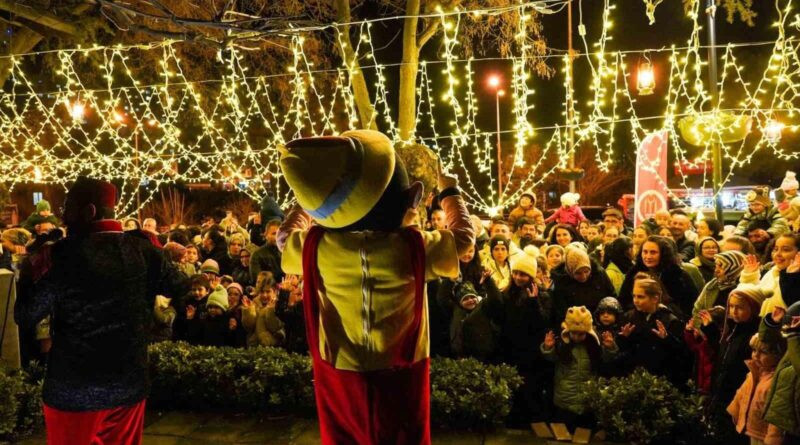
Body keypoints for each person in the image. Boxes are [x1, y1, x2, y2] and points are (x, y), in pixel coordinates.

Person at [277, 130, 474, 444]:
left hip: (341, 368)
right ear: (408, 197)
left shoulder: (318, 247)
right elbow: (464, 239)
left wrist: (306, 206)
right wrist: (450, 192)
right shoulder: (413, 246)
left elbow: (284, 238)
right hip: (403, 368)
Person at [14, 177, 186, 445]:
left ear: (89, 211)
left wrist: (29, 271)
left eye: (68, 208)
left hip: (75, 390)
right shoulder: (144, 249)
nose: (63, 216)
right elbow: (180, 285)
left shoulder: (61, 256)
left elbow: (26, 315)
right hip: (128, 384)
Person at [699, 284, 765, 443]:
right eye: (732, 306)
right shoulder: (734, 328)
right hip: (722, 396)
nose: (734, 311)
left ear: (754, 308)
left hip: (738, 398)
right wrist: (710, 331)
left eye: (740, 307)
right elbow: (723, 357)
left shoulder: (755, 335)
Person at [616, 273, 690, 387]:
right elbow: (626, 351)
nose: (635, 300)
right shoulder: (629, 317)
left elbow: (681, 354)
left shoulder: (669, 320)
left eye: (640, 297)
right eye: (634, 296)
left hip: (661, 381)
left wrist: (667, 339)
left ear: (655, 298)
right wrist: (623, 338)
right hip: (635, 379)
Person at [541, 306, 610, 430]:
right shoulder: (563, 345)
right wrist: (548, 348)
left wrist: (610, 348)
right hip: (565, 399)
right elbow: (551, 358)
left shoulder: (593, 347)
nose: (577, 337)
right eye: (573, 333)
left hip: (586, 400)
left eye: (581, 334)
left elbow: (605, 360)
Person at [618, 236, 699, 319]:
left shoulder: (678, 275)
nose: (648, 256)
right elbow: (624, 301)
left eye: (653, 252)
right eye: (645, 252)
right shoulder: (633, 273)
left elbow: (691, 305)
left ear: (663, 254)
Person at [727, 333, 786, 445]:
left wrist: (773, 438)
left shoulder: (776, 381)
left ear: (778, 355)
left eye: (763, 352)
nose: (756, 355)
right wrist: (735, 412)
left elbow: (777, 414)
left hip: (762, 434)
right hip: (748, 428)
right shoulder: (754, 372)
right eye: (754, 350)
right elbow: (742, 394)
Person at [551, 243, 615, 324]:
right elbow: (560, 309)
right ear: (570, 271)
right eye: (578, 273)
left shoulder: (599, 274)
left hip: (600, 322)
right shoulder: (561, 281)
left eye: (586, 271)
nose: (583, 276)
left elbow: (611, 295)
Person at [740, 233, 800, 317]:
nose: (778, 254)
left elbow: (793, 306)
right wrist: (750, 277)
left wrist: (791, 276)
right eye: (775, 249)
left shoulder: (794, 277)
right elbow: (754, 301)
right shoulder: (771, 272)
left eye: (786, 250)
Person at [692, 250, 746, 318]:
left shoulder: (743, 289)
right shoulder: (713, 284)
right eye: (716, 266)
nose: (716, 270)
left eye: (721, 266)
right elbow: (697, 310)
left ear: (734, 267)